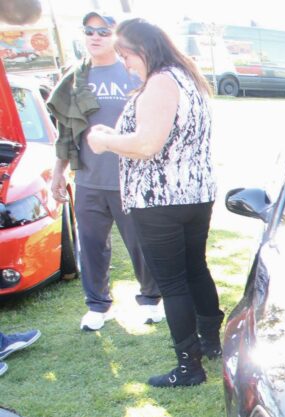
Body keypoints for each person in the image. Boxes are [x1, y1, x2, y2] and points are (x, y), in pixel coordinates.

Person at [87, 18, 222, 388]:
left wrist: (106, 141)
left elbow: (148, 145)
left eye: (125, 55)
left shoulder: (162, 81)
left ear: (141, 50)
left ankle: (188, 367)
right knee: (195, 268)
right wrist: (118, 135)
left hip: (161, 200)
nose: (125, 64)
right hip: (193, 194)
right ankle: (211, 343)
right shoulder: (186, 78)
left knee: (173, 282)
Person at [47, 12, 162, 332]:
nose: (95, 36)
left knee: (140, 242)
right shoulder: (74, 79)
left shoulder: (135, 72)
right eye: (89, 31)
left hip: (131, 177)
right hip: (88, 180)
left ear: (116, 36)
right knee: (91, 244)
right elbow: (66, 132)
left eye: (103, 31)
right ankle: (98, 306)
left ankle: (151, 299)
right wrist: (59, 171)